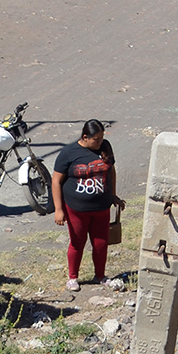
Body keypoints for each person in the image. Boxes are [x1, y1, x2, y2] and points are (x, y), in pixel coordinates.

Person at [52, 119, 125, 289]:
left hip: (102, 208)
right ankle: (73, 278)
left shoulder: (105, 147)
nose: (100, 142)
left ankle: (100, 276)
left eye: (101, 138)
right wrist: (58, 209)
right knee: (77, 242)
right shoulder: (68, 153)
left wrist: (113, 195)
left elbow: (111, 170)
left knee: (100, 244)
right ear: (85, 137)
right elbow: (56, 181)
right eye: (96, 139)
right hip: (76, 209)